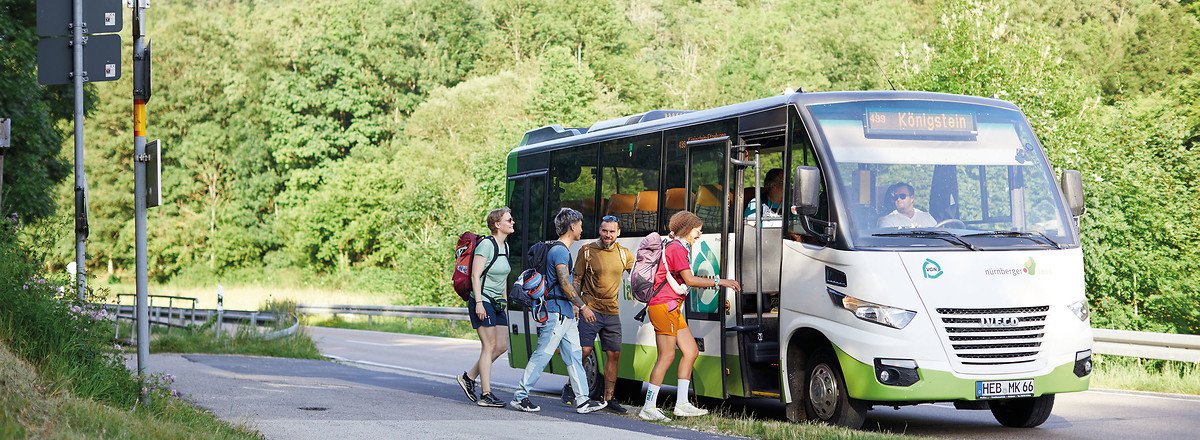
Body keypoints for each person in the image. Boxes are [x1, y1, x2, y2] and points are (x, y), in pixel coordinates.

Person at [640, 211, 742, 422]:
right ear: (687, 229)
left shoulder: (676, 247)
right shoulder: (676, 249)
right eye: (698, 230)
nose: (699, 235)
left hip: (672, 308)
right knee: (666, 357)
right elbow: (690, 279)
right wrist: (719, 282)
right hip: (663, 307)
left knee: (691, 351)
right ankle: (648, 407)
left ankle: (682, 404)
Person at [509, 208, 608, 414]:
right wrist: (582, 305)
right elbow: (565, 284)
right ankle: (520, 396)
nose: (582, 228)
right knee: (542, 354)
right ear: (572, 226)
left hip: (566, 314)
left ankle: (582, 400)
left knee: (574, 356)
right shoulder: (560, 251)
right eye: (580, 224)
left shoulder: (561, 249)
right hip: (556, 315)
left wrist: (573, 306)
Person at [566, 215, 635, 414]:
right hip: (590, 309)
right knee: (585, 351)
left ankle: (609, 398)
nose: (608, 235)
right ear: (600, 230)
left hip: (612, 311)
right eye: (605, 231)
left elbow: (638, 274)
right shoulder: (587, 251)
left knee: (614, 354)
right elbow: (576, 279)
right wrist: (576, 305)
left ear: (618, 233)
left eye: (612, 232)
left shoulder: (624, 254)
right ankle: (572, 387)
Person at [456, 208, 514, 407]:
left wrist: (505, 303)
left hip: (498, 303)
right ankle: (486, 394)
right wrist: (479, 303)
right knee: (488, 346)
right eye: (509, 219)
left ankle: (469, 378)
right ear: (497, 224)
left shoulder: (505, 246)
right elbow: (475, 276)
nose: (512, 222)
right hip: (483, 300)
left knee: (501, 346)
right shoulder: (486, 245)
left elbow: (504, 277)